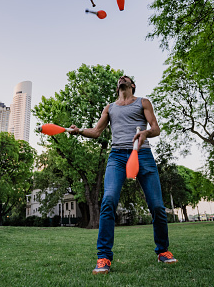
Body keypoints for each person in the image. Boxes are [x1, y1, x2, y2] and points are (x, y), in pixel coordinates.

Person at [69, 75, 177, 275]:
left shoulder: (143, 102)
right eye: (120, 79)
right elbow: (97, 131)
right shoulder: (110, 108)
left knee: (157, 206)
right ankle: (103, 258)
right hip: (117, 156)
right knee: (108, 200)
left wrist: (145, 134)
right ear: (117, 87)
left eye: (126, 78)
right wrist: (79, 131)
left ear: (132, 85)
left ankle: (163, 251)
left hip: (142, 154)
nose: (122, 79)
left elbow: (156, 128)